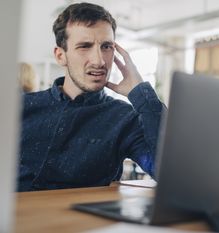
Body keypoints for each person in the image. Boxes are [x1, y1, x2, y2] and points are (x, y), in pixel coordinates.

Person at [18, 2, 166, 191]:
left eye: (106, 46)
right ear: (60, 56)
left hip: (86, 220)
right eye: (84, 46)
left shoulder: (124, 118)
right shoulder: (22, 106)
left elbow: (172, 174)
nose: (99, 61)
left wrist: (142, 95)